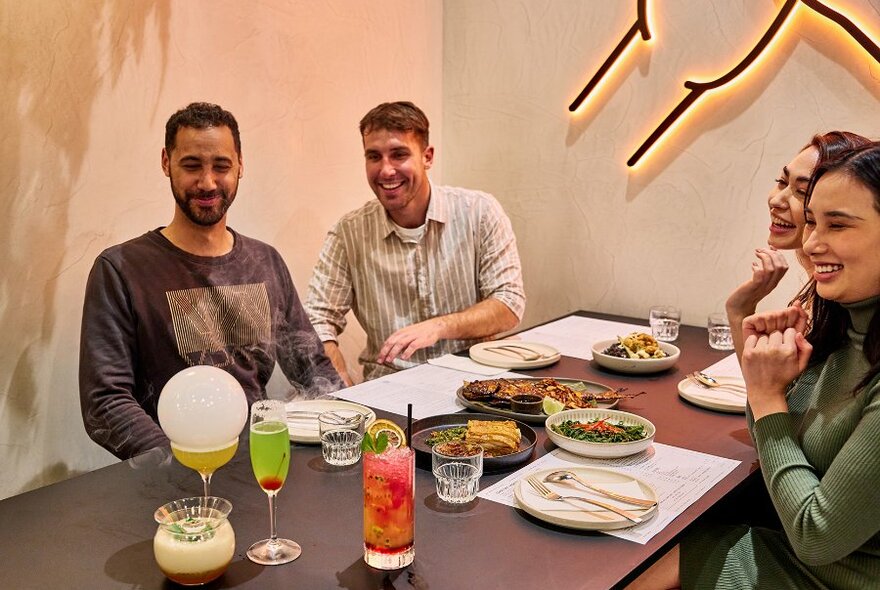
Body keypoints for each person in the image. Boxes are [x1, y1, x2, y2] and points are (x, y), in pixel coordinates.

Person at [628, 143, 880, 589]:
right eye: (814, 220)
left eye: (836, 224)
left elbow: (816, 537)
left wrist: (767, 395)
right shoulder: (843, 322)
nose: (813, 241)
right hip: (796, 547)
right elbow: (772, 433)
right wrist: (768, 380)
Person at [79, 102, 343, 460]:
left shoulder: (264, 261)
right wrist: (178, 466)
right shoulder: (121, 269)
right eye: (191, 165)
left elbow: (313, 369)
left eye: (221, 166)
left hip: (261, 462)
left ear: (240, 166)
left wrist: (348, 423)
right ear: (165, 162)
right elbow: (105, 404)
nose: (207, 182)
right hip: (173, 484)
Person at [306, 101, 525, 384]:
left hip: (476, 384)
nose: (386, 170)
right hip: (390, 387)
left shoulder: (480, 212)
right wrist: (340, 385)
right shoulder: (348, 232)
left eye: (399, 154)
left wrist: (439, 327)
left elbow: (509, 304)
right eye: (374, 157)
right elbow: (316, 319)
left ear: (427, 156)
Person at [726, 131, 871, 359]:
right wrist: (739, 310)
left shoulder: (843, 305)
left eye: (801, 191)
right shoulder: (816, 300)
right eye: (781, 182)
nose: (776, 200)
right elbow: (766, 386)